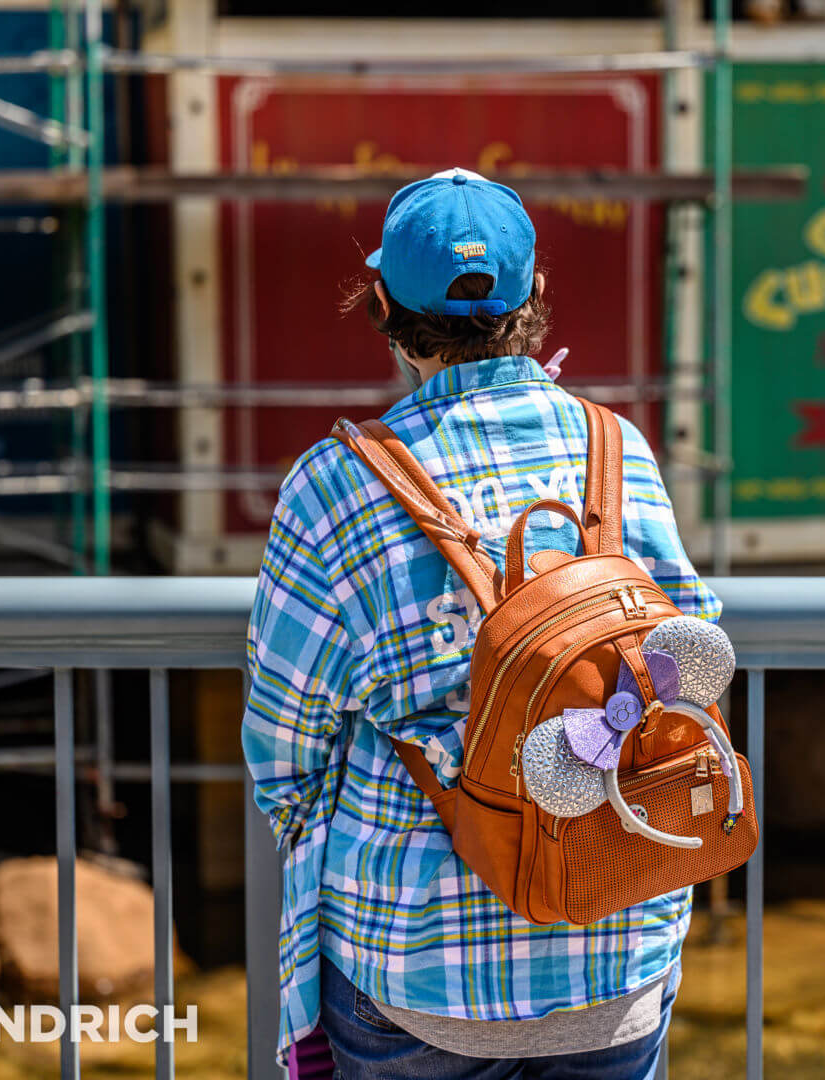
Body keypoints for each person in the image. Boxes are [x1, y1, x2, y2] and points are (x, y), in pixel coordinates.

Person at [241, 167, 721, 1079]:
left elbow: (285, 752)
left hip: (416, 965)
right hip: (613, 941)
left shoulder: (333, 484)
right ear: (536, 295)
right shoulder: (616, 451)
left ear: (380, 304)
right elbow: (687, 650)